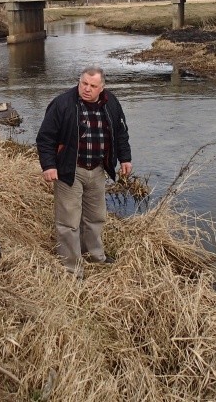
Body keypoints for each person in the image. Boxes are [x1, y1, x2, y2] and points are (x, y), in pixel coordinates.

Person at [36, 66, 132, 277]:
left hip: (97, 169)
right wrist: (49, 166)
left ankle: (94, 256)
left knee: (96, 217)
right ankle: (71, 268)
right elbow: (45, 138)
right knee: (68, 222)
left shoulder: (111, 103)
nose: (87, 89)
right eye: (83, 84)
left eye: (92, 86)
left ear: (102, 87)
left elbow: (120, 132)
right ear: (79, 82)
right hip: (70, 170)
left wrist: (125, 158)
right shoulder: (62, 103)